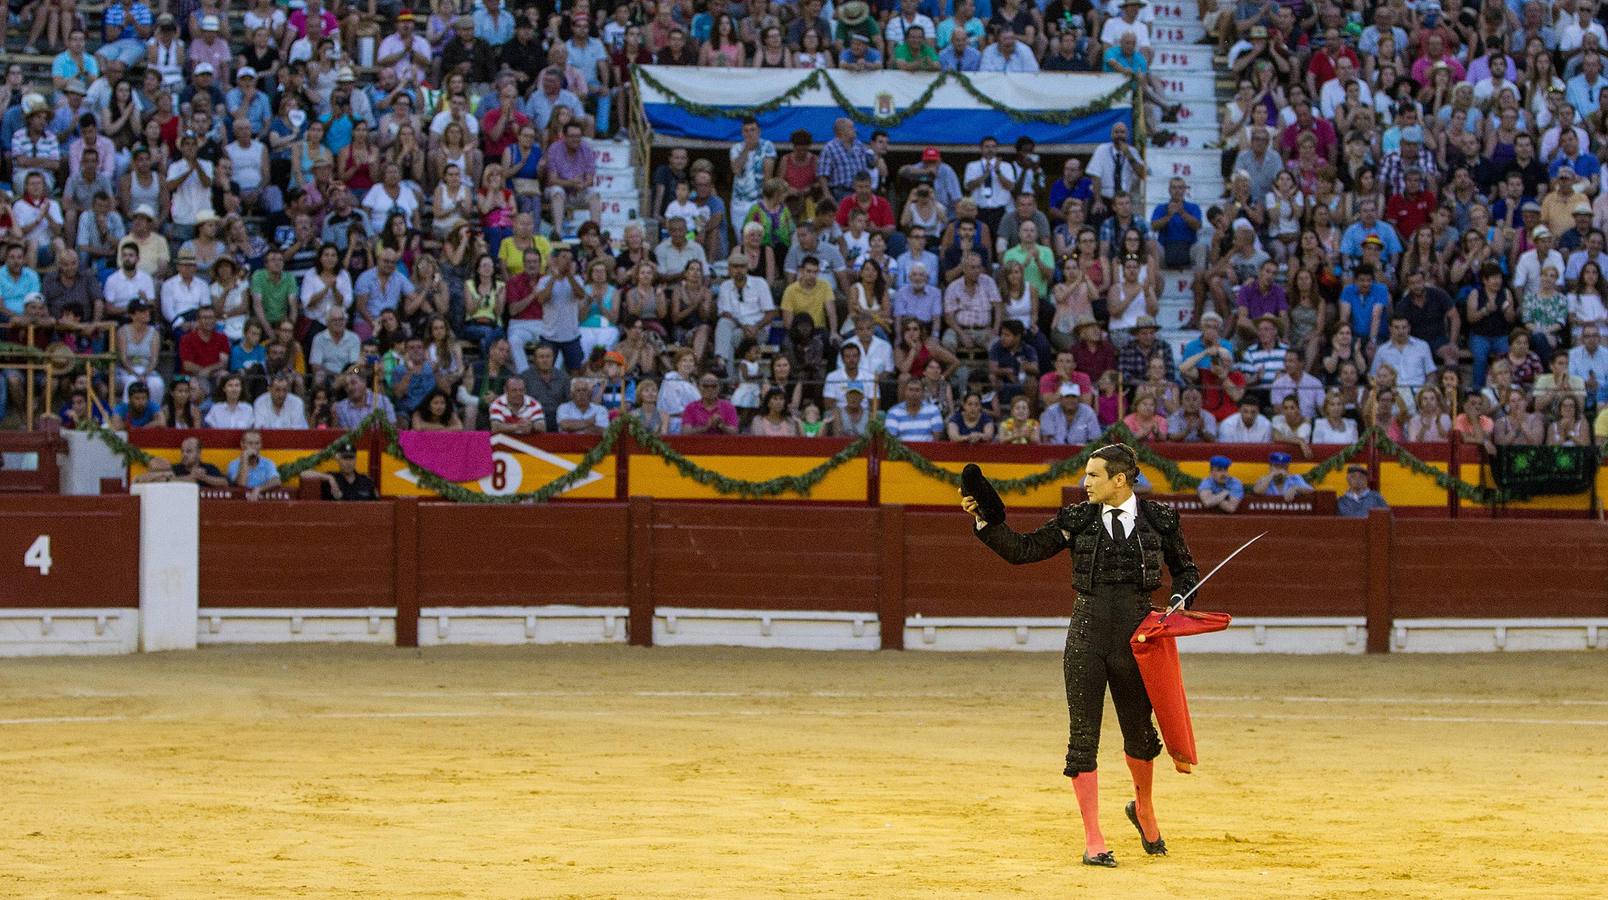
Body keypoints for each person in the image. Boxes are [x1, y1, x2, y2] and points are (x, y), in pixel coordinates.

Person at [963, 444, 1199, 867]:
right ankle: (1094, 838)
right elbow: (1024, 550)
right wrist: (984, 521)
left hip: (1138, 640)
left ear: (1119, 480)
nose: (1084, 483)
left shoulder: (1160, 520)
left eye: (1093, 475)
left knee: (1140, 735)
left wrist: (1181, 598)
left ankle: (1143, 808)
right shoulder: (1078, 519)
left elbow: (1186, 570)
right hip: (1087, 635)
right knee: (1083, 738)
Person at [304, 445, 378, 500]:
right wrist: (329, 478)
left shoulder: (366, 482)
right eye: (345, 458)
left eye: (351, 458)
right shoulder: (332, 478)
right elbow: (304, 473)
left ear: (355, 459)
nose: (348, 463)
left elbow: (376, 507)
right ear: (338, 460)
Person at [227, 429, 282, 499]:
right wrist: (244, 460)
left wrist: (258, 489)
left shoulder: (268, 463)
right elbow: (241, 485)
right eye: (250, 443)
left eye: (257, 443)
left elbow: (276, 481)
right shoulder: (233, 464)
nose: (254, 447)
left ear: (261, 445)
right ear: (242, 444)